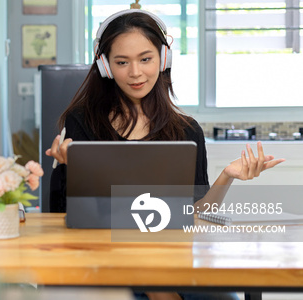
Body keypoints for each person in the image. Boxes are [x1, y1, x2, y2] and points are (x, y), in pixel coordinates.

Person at [44, 9, 286, 300]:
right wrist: (73, 168)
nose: (135, 73)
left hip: (170, 258)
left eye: (146, 59)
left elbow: (195, 216)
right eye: (122, 62)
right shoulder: (82, 122)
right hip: (107, 257)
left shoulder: (186, 131)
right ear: (106, 66)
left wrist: (227, 176)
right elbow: (68, 216)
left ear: (163, 59)